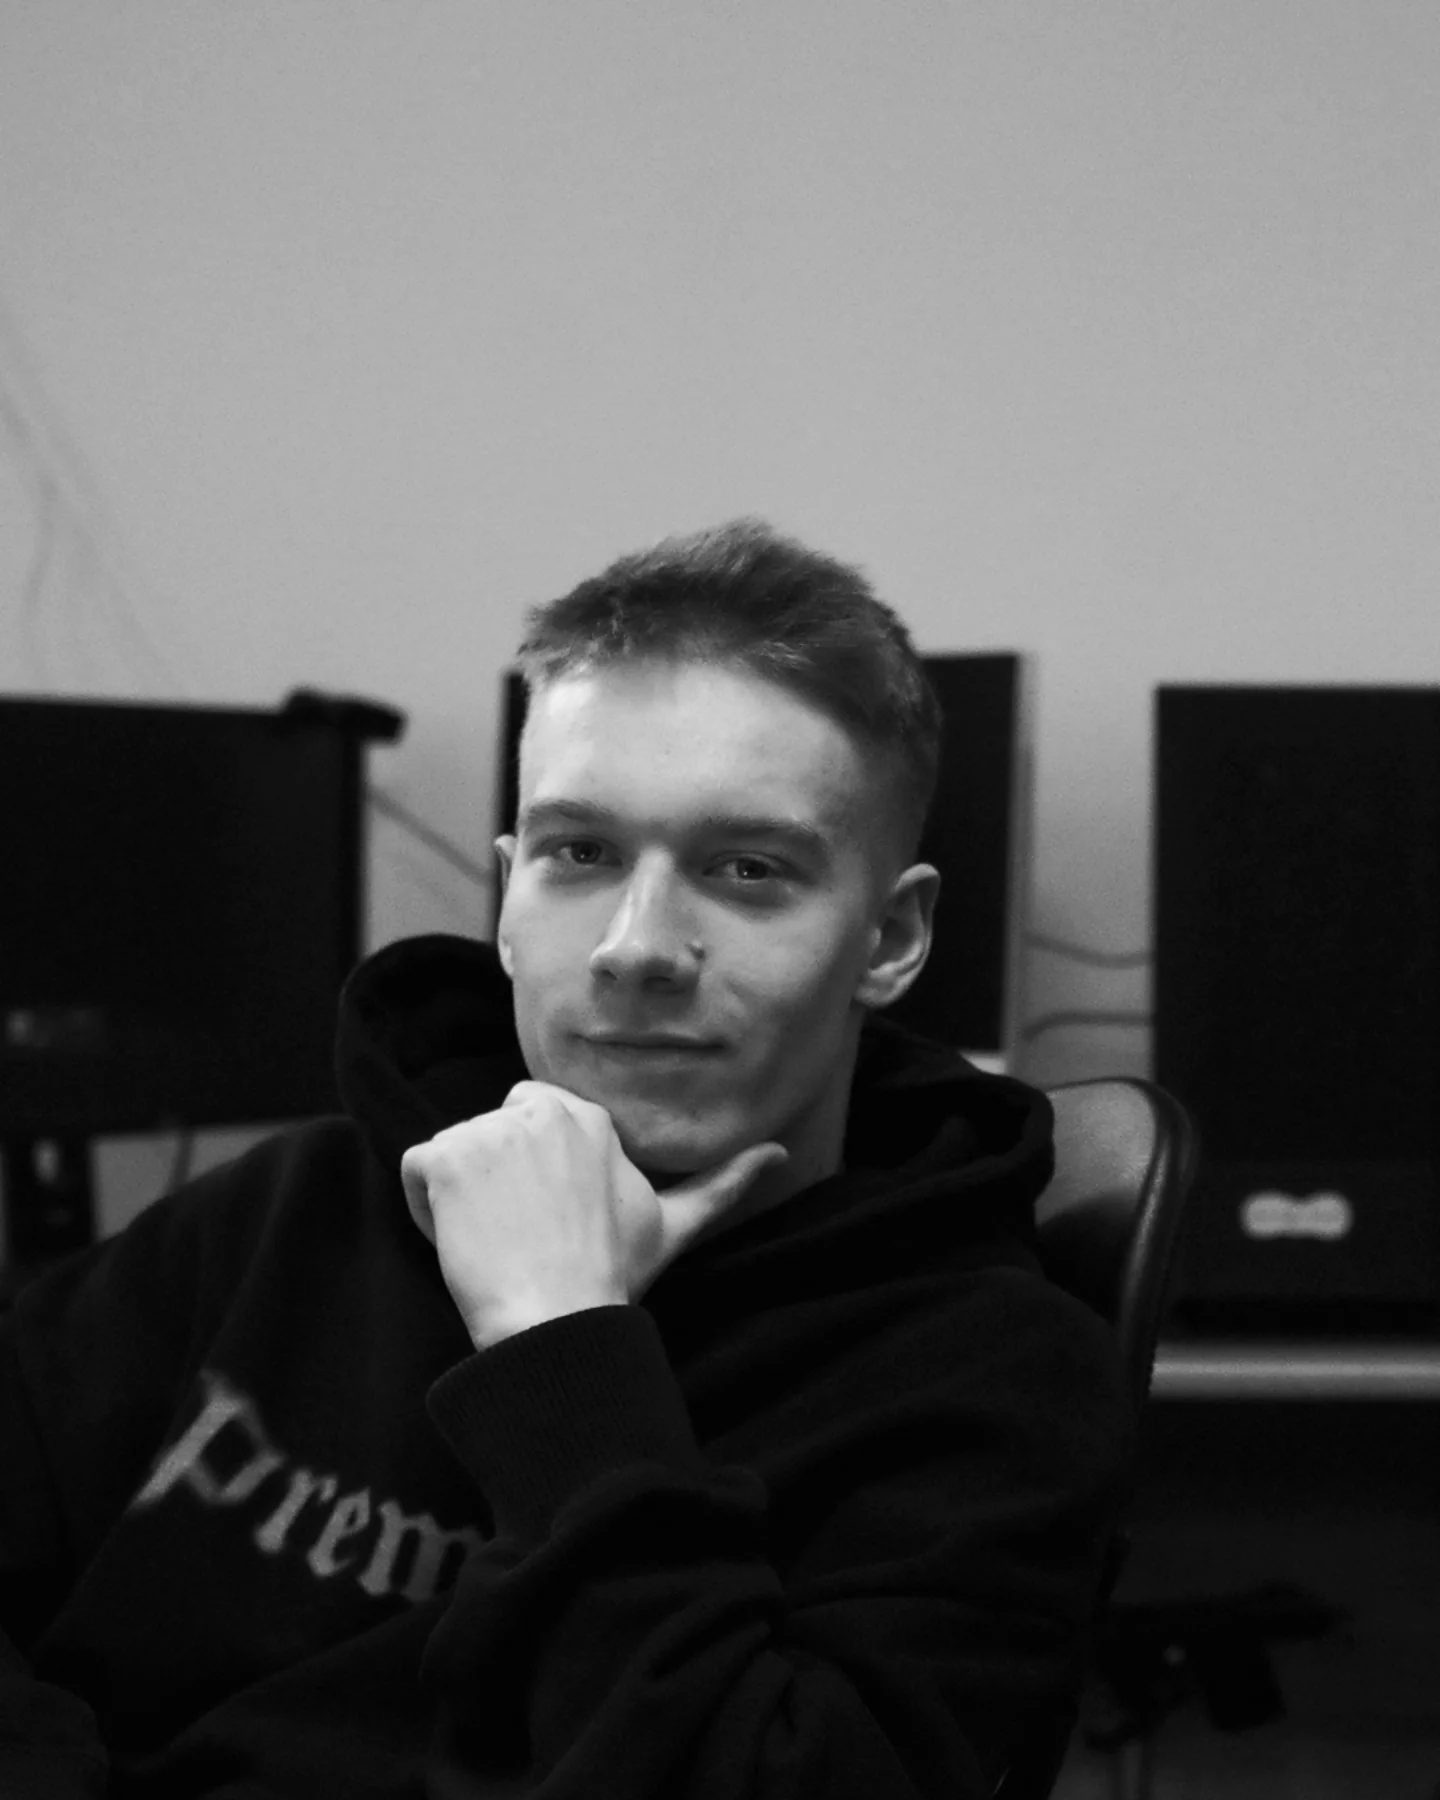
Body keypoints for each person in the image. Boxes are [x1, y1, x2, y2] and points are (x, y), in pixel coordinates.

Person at [0, 518, 1133, 1799]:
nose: (637, 945)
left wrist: (562, 1348)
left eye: (748, 868)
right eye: (580, 854)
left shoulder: (989, 1374)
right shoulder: (288, 1209)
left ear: (891, 937)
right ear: (506, 892)